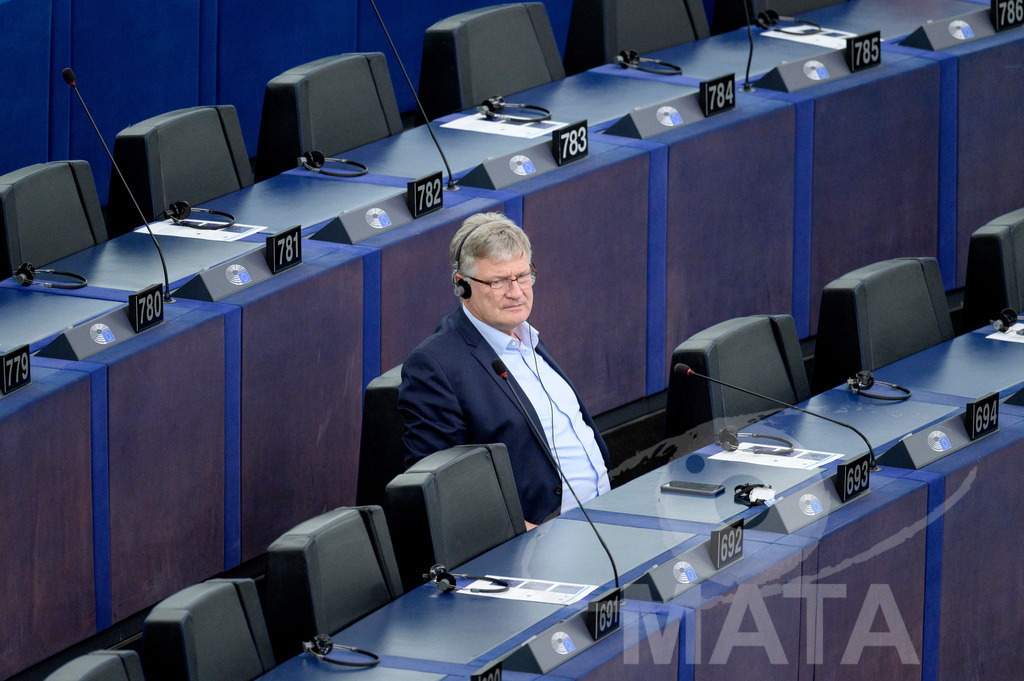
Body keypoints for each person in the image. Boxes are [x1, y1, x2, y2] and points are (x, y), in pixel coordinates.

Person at [398, 212, 611, 527]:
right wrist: (521, 532)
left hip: (605, 519)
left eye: (523, 276)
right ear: (462, 286)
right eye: (498, 281)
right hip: (536, 541)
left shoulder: (527, 335)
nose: (516, 292)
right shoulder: (435, 366)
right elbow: (440, 487)